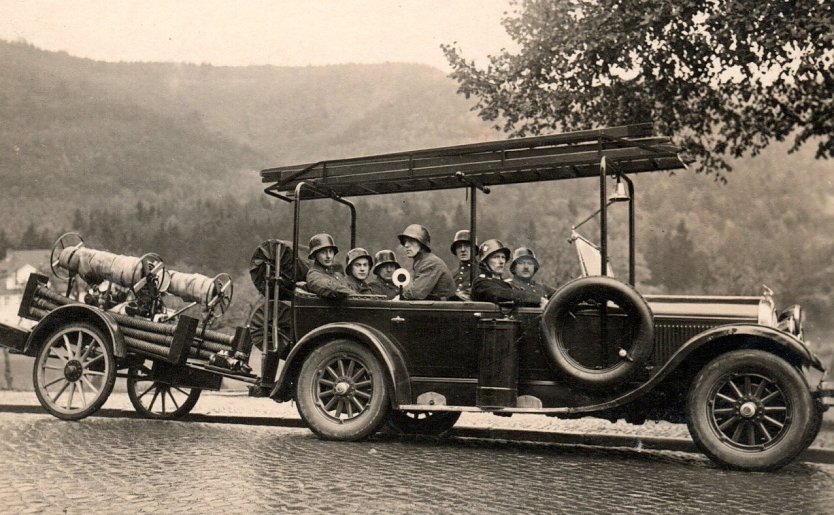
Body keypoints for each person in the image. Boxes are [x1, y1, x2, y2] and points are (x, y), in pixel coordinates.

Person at [472, 239, 547, 307]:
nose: (501, 262)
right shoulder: (481, 283)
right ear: (485, 263)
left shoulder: (505, 284)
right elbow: (502, 294)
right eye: (496, 257)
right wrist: (538, 299)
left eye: (503, 257)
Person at [396, 224, 456, 301]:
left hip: (442, 309)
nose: (406, 245)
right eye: (405, 242)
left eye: (411, 241)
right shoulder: (422, 262)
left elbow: (417, 293)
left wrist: (400, 297)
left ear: (422, 244)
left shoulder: (430, 262)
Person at [304, 233, 355, 299]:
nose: (328, 256)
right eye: (323, 252)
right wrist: (357, 296)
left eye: (330, 251)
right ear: (315, 255)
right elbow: (333, 289)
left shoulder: (337, 274)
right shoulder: (314, 275)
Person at [450, 229, 474, 301]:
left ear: (474, 249)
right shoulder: (453, 274)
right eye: (459, 246)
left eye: (467, 246)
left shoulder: (481, 271)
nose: (463, 250)